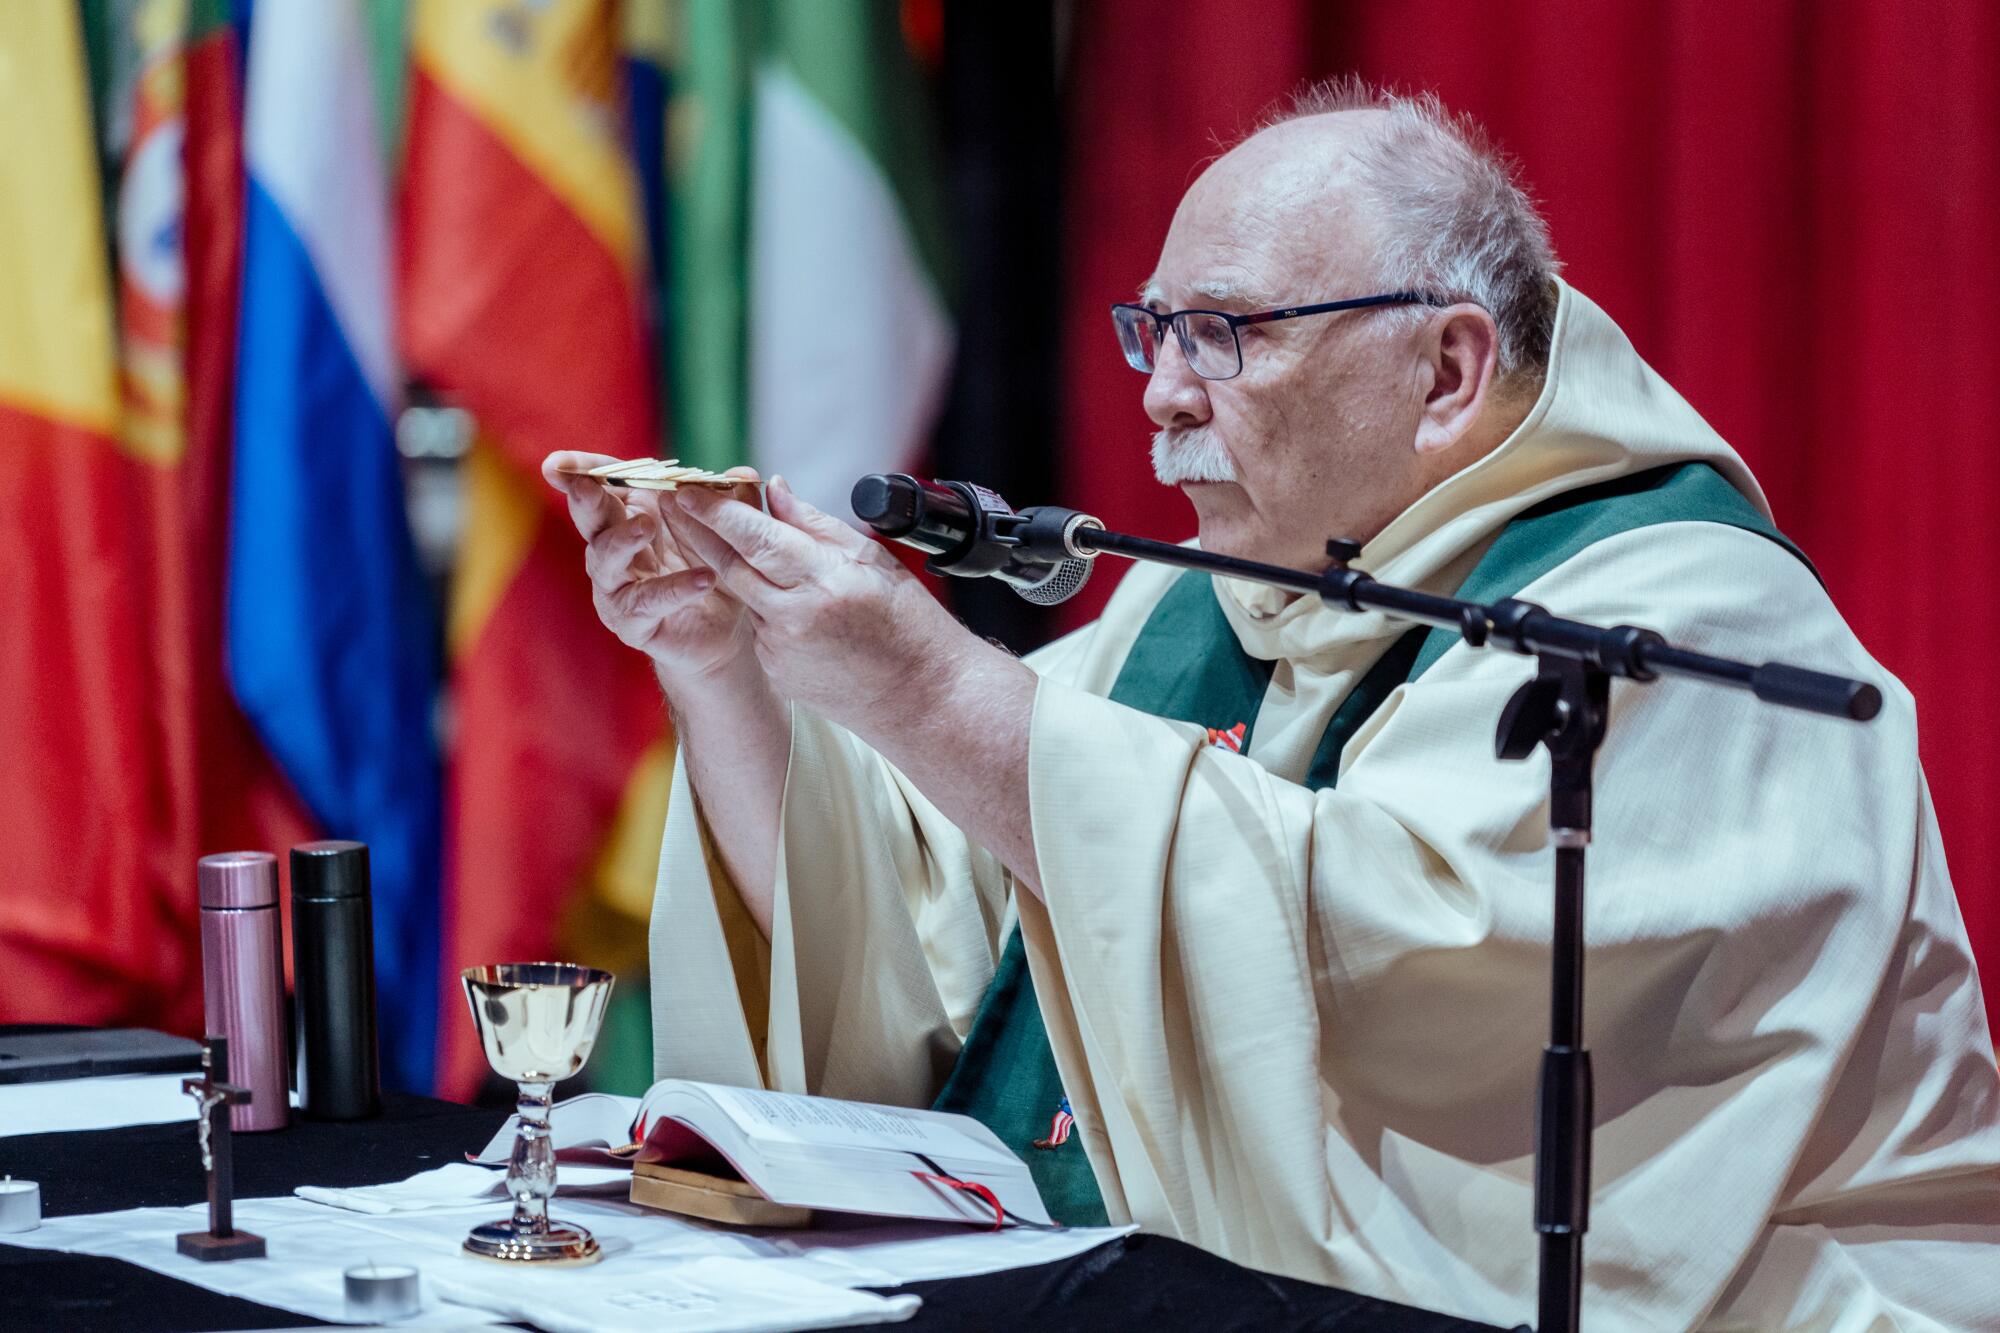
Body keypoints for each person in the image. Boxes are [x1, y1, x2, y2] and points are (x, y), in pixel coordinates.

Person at [544, 81, 2000, 1329]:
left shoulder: (1674, 617)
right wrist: (726, 667)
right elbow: (937, 909)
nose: (1163, 395)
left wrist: (925, 682)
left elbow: (1420, 985)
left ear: (1447, 368)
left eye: (1226, 334)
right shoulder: (1211, 597)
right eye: (1153, 332)